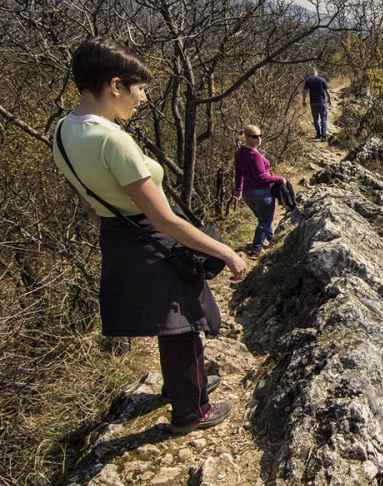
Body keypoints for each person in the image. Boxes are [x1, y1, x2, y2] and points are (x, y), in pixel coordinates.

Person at [52, 37, 248, 434]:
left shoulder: (62, 132)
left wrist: (117, 237)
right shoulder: (112, 139)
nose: (142, 99)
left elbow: (89, 204)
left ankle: (182, 389)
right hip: (148, 233)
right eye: (139, 88)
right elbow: (165, 221)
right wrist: (227, 252)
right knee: (184, 320)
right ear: (115, 85)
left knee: (169, 320)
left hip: (117, 234)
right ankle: (193, 410)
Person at [234, 124, 285, 259]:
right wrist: (280, 179)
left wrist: (238, 189)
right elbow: (262, 177)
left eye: (260, 136)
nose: (259, 139)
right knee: (265, 221)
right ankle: (256, 250)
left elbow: (238, 173)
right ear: (247, 137)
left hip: (248, 193)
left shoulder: (240, 152)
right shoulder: (254, 155)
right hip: (262, 192)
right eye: (255, 136)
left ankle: (273, 240)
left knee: (263, 219)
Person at [302, 67, 331, 139]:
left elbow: (305, 91)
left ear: (311, 73)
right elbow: (327, 91)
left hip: (313, 102)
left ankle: (318, 134)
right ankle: (324, 135)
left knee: (316, 119)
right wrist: (329, 99)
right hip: (322, 102)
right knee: (323, 119)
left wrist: (304, 101)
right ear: (317, 73)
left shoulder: (308, 80)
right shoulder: (322, 79)